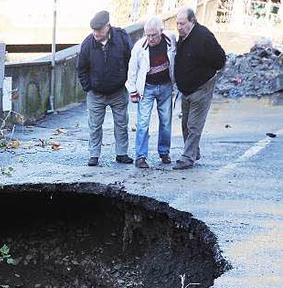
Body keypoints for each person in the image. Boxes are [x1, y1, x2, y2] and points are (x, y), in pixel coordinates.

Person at [78, 10, 133, 167]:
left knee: (121, 124)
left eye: (99, 30)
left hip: (118, 91)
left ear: (108, 26)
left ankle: (122, 153)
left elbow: (131, 60)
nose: (96, 33)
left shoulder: (122, 38)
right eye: (94, 30)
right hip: (96, 93)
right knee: (94, 126)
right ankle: (93, 155)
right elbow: (81, 68)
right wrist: (88, 87)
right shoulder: (88, 44)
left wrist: (127, 82)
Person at [173, 7, 226, 169]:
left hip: (202, 86)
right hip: (186, 89)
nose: (179, 27)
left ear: (192, 21)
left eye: (182, 23)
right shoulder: (182, 36)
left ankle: (188, 157)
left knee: (194, 124)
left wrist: (205, 73)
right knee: (185, 123)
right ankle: (194, 151)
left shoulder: (204, 37)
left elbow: (220, 59)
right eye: (177, 24)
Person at [126, 17, 176, 168]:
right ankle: (140, 157)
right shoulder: (140, 47)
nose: (151, 38)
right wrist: (133, 90)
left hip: (166, 86)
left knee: (166, 121)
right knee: (142, 123)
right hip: (147, 87)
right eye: (148, 35)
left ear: (161, 31)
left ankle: (164, 152)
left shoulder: (171, 39)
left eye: (154, 35)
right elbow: (132, 69)